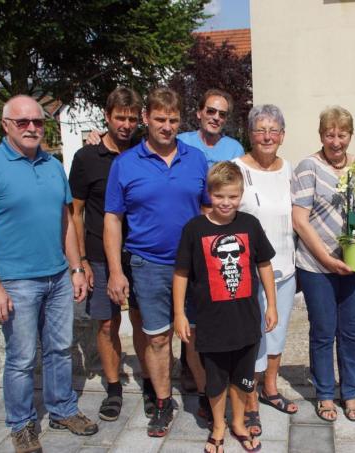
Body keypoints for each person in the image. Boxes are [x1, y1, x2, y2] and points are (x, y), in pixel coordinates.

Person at [0, 95, 97, 453]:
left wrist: (76, 267)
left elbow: (66, 220)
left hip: (57, 275)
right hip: (16, 280)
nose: (32, 128)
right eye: (23, 122)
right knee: (22, 358)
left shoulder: (53, 165)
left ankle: (62, 409)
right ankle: (21, 424)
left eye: (38, 122)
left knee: (59, 349)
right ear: (6, 125)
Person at [103, 87, 210, 437]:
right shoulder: (125, 164)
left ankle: (206, 396)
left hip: (194, 266)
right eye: (160, 119)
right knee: (158, 338)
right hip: (148, 265)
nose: (167, 126)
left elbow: (209, 210)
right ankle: (163, 403)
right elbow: (113, 220)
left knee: (195, 336)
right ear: (146, 119)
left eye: (173, 120)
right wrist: (116, 271)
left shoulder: (195, 159)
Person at [173, 161, 277, 453]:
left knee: (244, 379)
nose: (226, 202)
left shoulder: (249, 225)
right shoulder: (194, 229)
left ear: (241, 194)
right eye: (220, 196)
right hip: (211, 323)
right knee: (216, 381)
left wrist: (271, 305)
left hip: (246, 321)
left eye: (232, 196)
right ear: (210, 193)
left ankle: (239, 423)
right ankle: (218, 425)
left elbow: (264, 265)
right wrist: (180, 313)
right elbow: (181, 273)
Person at [68, 87, 154, 421]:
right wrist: (81, 262)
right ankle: (114, 388)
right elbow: (74, 213)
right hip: (98, 255)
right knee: (106, 324)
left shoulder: (145, 151)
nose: (126, 124)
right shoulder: (86, 157)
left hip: (139, 251)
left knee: (145, 322)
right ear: (107, 116)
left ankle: (150, 383)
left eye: (132, 118)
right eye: (120, 117)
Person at [291, 106, 355, 422]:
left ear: (351, 135)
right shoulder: (308, 167)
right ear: (320, 134)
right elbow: (300, 219)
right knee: (323, 331)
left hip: (353, 266)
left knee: (351, 331)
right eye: (329, 134)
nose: (336, 141)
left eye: (342, 134)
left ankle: (349, 391)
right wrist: (326, 258)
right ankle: (324, 392)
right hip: (316, 266)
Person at [232, 105, 299, 437]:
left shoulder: (290, 170)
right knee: (250, 339)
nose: (268, 136)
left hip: (285, 267)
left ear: (283, 135)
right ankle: (250, 401)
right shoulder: (236, 169)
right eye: (261, 130)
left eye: (274, 130)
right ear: (250, 133)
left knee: (277, 332)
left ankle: (270, 388)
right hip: (247, 273)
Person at [178, 88, 245, 167]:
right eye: (211, 111)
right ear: (199, 113)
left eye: (222, 114)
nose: (216, 118)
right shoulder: (181, 142)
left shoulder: (234, 150)